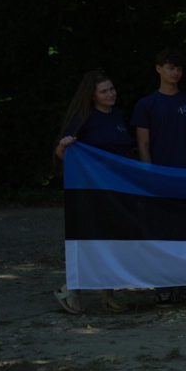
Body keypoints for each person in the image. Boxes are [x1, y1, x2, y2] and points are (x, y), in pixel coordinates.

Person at [53, 70, 134, 314]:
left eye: (112, 89)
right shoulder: (83, 117)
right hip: (91, 190)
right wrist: (63, 146)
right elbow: (63, 153)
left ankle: (107, 295)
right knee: (89, 240)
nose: (110, 94)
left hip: (117, 188)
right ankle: (69, 290)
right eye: (104, 91)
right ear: (92, 95)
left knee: (113, 240)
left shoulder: (117, 115)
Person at [130, 48, 186, 306]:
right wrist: (150, 176)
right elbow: (143, 144)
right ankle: (163, 286)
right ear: (159, 69)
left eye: (179, 69)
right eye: (170, 68)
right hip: (159, 179)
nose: (175, 73)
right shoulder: (146, 104)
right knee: (161, 234)